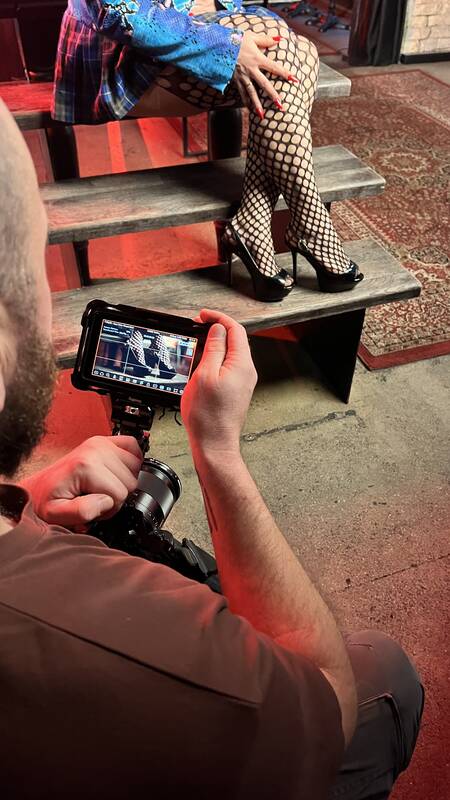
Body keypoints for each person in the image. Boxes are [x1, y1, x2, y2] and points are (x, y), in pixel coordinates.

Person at [0, 100, 423, 799]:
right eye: (33, 266)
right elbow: (326, 698)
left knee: (280, 66)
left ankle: (257, 220)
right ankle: (286, 228)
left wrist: (30, 506)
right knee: (385, 671)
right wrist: (219, 450)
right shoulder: (110, 634)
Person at [52, 0, 363, 301]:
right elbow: (117, 11)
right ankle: (310, 222)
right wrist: (226, 43)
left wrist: (216, 10)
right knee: (287, 52)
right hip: (120, 56)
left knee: (302, 52)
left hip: (194, 30)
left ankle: (255, 220)